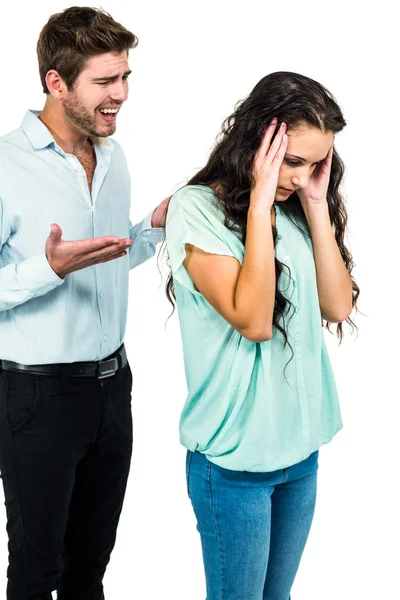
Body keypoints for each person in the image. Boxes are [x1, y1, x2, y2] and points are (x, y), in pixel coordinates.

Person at [165, 71, 359, 599]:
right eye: (291, 161)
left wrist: (316, 205)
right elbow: (252, 320)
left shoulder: (298, 206)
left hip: (298, 450)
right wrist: (257, 205)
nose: (300, 175)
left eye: (315, 162)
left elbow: (337, 305)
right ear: (257, 143)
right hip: (234, 461)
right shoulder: (196, 209)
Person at [0, 7, 168, 600]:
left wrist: (151, 226)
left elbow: (109, 255)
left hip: (112, 387)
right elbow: (54, 266)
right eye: (105, 82)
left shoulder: (112, 156)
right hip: (37, 398)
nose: (120, 95)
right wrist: (47, 268)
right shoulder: (4, 164)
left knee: (89, 570)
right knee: (35, 574)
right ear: (56, 82)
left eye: (124, 78)